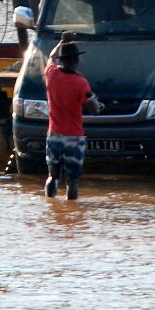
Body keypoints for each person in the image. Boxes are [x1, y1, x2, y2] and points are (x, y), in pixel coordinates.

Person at [44, 33, 103, 200]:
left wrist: (62, 42)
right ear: (76, 61)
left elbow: (51, 56)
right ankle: (71, 214)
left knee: (52, 176)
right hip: (74, 137)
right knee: (72, 181)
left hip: (54, 135)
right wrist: (95, 101)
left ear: (62, 60)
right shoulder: (80, 82)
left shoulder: (51, 74)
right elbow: (94, 110)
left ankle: (50, 205)